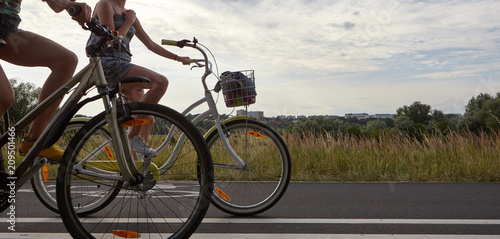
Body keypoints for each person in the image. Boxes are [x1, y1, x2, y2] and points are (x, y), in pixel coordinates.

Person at [87, 0, 190, 156]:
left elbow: (151, 44)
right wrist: (130, 21)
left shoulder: (129, 13)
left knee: (147, 119)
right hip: (107, 63)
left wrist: (177, 57)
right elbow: (112, 40)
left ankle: (136, 171)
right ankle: (132, 137)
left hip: (123, 64)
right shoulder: (105, 4)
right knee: (160, 82)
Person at [0, 0, 91, 160]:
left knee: (66, 61)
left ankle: (34, 139)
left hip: (7, 30)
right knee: (4, 97)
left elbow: (56, 4)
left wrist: (71, 5)